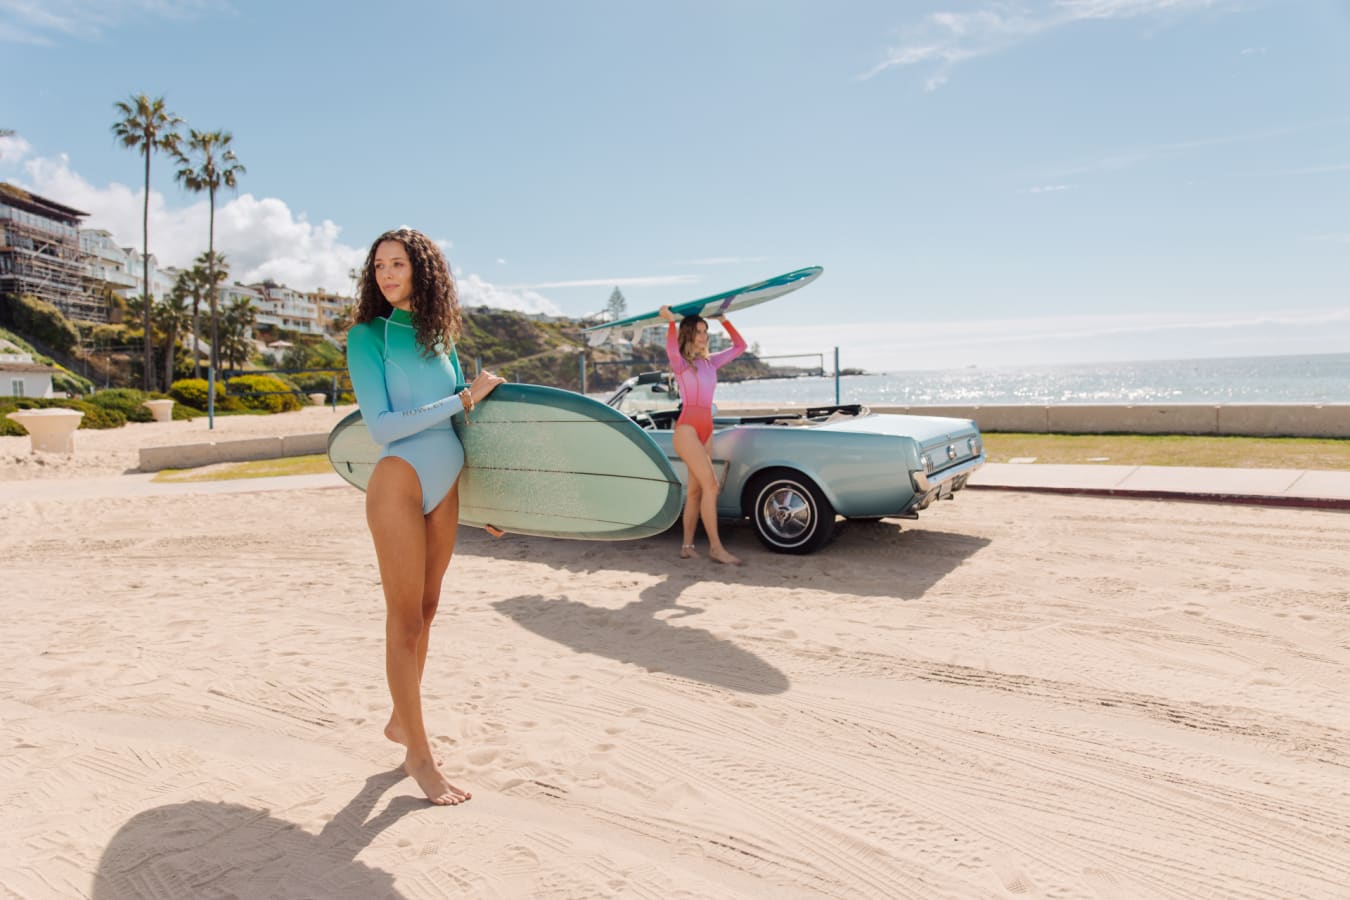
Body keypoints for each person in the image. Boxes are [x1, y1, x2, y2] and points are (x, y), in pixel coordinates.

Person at [346, 228, 504, 805]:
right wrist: (464, 397)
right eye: (379, 265)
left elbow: (466, 428)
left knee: (430, 609)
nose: (387, 275)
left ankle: (399, 719)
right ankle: (418, 755)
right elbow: (383, 426)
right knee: (405, 620)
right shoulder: (367, 336)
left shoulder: (441, 338)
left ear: (422, 270)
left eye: (398, 264)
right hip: (401, 481)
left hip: (448, 483)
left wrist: (492, 504)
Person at [659, 304, 748, 565]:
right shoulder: (680, 363)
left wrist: (724, 320)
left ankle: (687, 546)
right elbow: (671, 348)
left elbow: (740, 347)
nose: (703, 336)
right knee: (712, 486)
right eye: (698, 331)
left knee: (697, 491)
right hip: (687, 429)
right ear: (688, 334)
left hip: (706, 429)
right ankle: (716, 548)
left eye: (705, 331)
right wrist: (671, 322)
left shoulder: (711, 362)